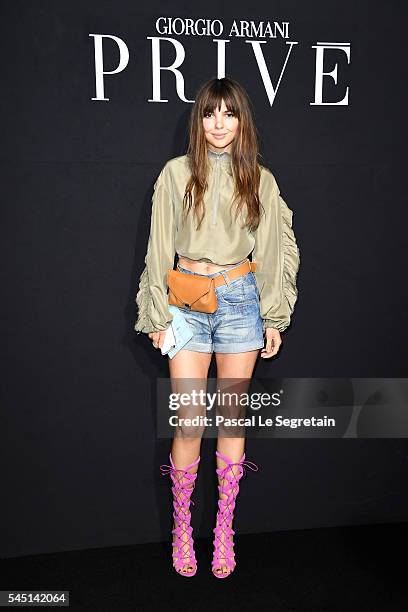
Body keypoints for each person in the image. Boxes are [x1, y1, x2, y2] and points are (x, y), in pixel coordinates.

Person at [134, 77, 300, 578]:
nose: (220, 124)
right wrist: (156, 311)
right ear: (199, 120)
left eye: (229, 113)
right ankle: (183, 528)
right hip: (186, 301)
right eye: (210, 113)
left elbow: (274, 249)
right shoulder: (176, 173)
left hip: (239, 301)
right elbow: (158, 243)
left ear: (242, 120)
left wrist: (273, 314)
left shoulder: (261, 179)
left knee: (231, 419)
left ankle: (224, 529)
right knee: (188, 421)